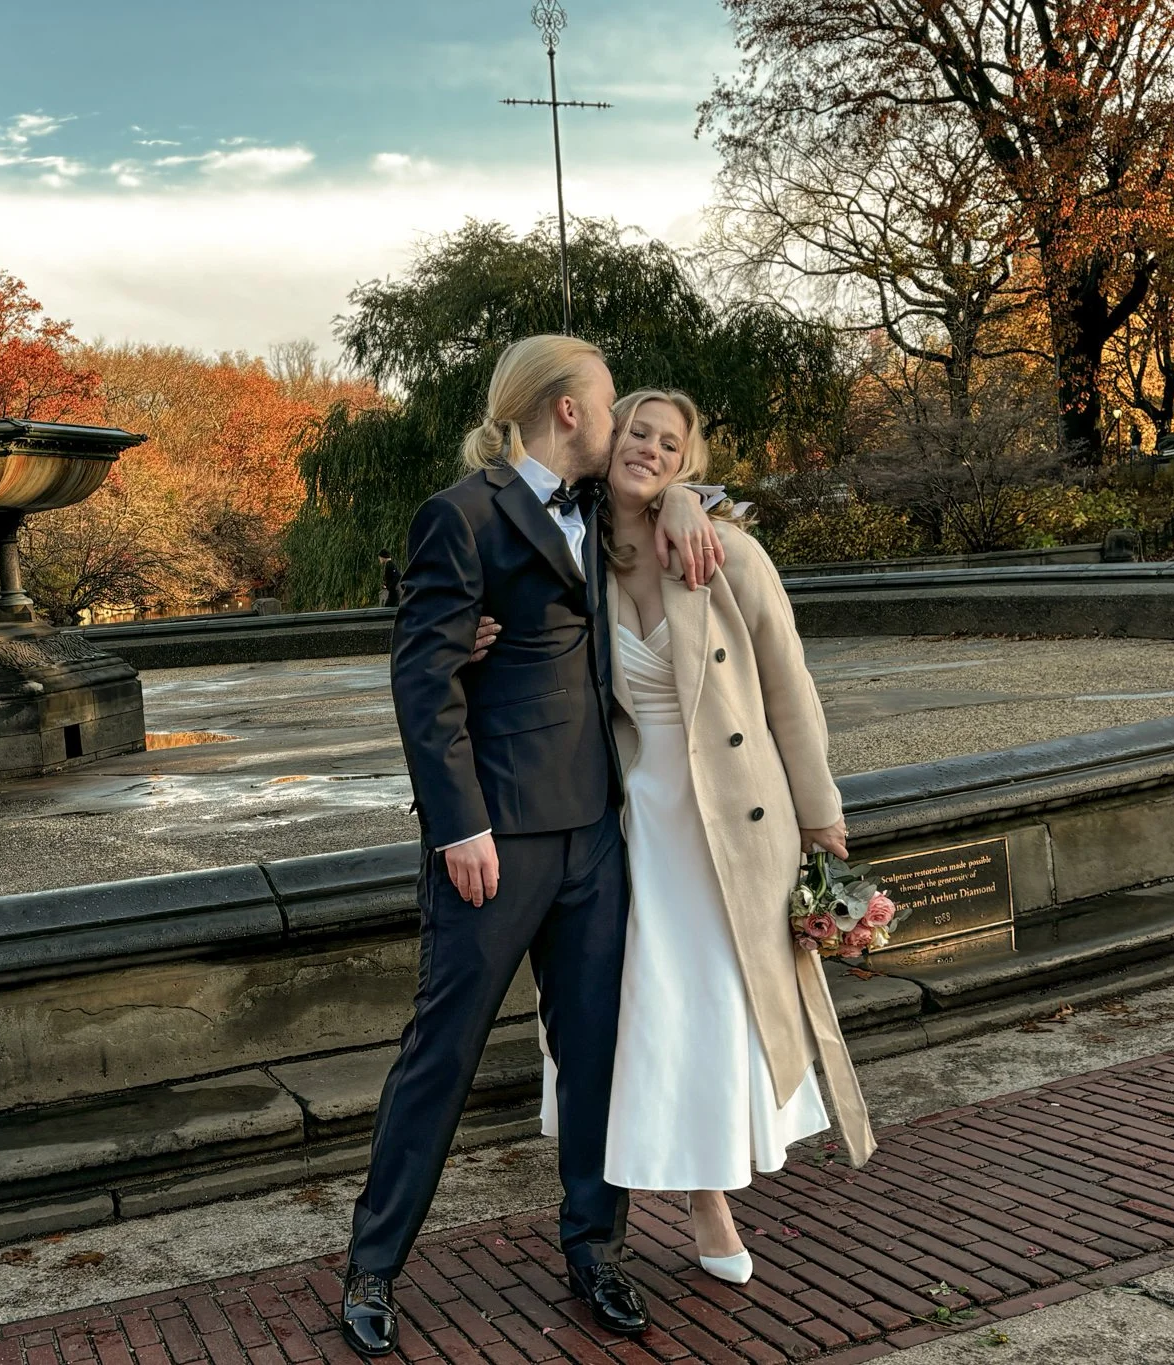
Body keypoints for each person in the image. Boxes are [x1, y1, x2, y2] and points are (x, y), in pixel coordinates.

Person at [341, 337, 724, 1359]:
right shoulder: (458, 516)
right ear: (565, 412)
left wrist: (685, 502)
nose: (617, 426)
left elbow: (686, 489)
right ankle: (373, 1267)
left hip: (593, 834)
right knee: (441, 1055)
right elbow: (421, 684)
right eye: (607, 408)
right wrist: (457, 824)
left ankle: (596, 1249)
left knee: (596, 1054)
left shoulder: (603, 507)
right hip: (492, 844)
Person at [499, 390, 878, 1287]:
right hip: (630, 817)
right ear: (610, 435)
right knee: (644, 1006)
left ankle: (712, 1191)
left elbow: (790, 683)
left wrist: (821, 811)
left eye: (671, 446)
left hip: (733, 811)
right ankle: (650, 1190)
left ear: (686, 461)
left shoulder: (728, 552)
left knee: (716, 1003)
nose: (652, 451)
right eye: (638, 432)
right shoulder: (580, 553)